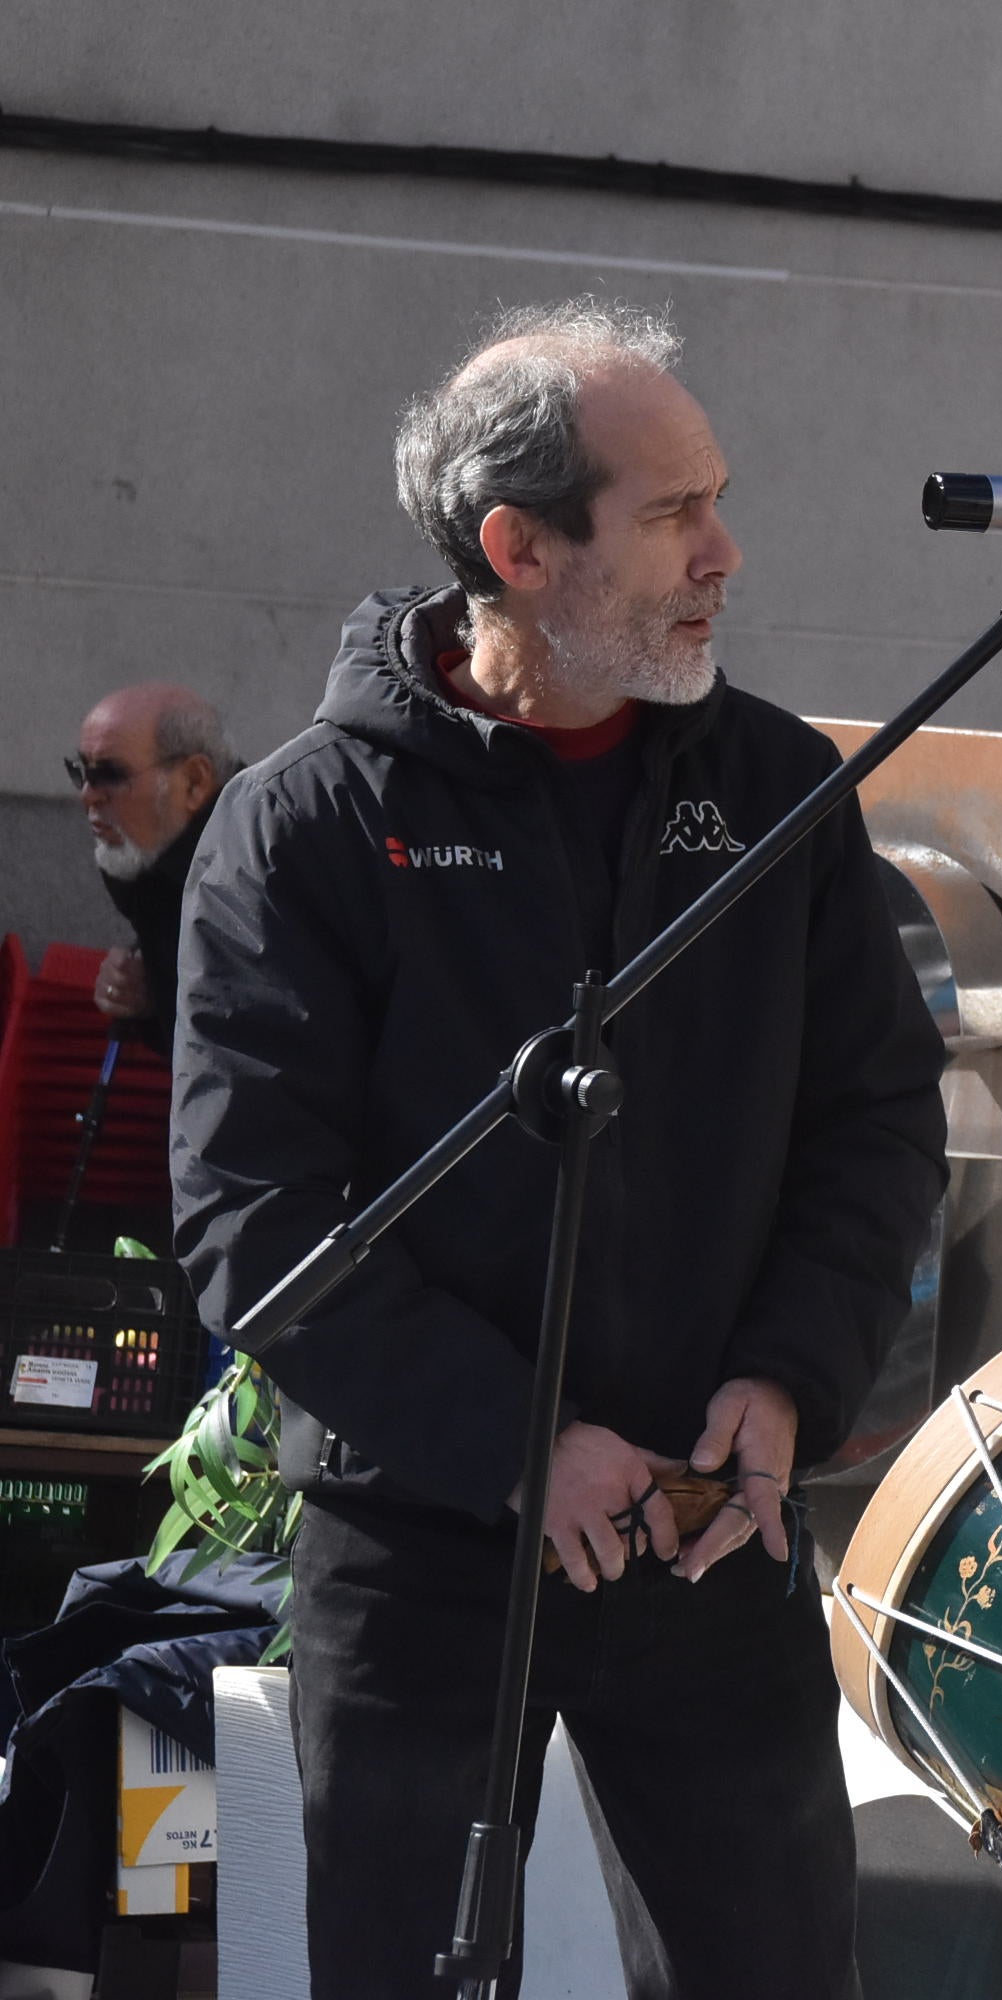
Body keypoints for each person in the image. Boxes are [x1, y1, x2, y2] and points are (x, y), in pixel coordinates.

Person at [171, 300, 947, 1999]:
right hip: (427, 1533)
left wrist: (792, 1375)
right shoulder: (306, 823)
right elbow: (254, 1222)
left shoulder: (773, 786)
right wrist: (523, 1445)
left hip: (707, 1520)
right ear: (517, 547)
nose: (724, 553)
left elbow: (879, 1120)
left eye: (717, 500)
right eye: (674, 514)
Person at [73, 684, 236, 1050]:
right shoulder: (160, 864)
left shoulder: (254, 877)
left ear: (193, 782)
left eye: (111, 774)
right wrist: (151, 1003)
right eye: (79, 771)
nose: (87, 795)